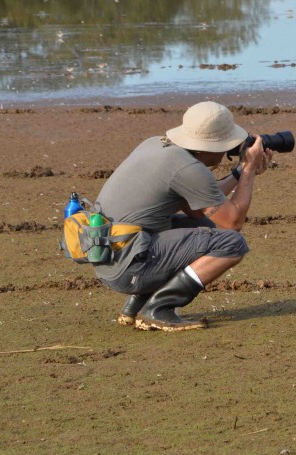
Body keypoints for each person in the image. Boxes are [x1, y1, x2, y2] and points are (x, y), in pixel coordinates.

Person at [93, 101, 272, 332]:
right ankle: (158, 309)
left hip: (109, 259)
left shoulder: (156, 145)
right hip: (128, 269)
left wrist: (239, 172)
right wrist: (248, 171)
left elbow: (198, 208)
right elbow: (233, 222)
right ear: (213, 145)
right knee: (232, 243)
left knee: (203, 225)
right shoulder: (187, 168)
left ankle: (136, 306)